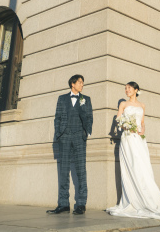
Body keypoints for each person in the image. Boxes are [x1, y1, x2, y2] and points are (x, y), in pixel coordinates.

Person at [107, 82, 160, 226]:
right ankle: (133, 198)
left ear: (136, 90)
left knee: (142, 167)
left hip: (139, 139)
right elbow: (118, 122)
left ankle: (148, 197)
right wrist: (125, 126)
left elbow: (142, 122)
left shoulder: (142, 105)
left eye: (129, 88)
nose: (127, 90)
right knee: (132, 166)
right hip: (127, 139)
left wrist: (142, 129)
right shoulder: (123, 104)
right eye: (125, 88)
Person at [48, 74, 93, 215]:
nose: (82, 85)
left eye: (82, 83)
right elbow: (58, 117)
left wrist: (86, 133)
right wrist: (59, 134)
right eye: (80, 82)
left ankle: (81, 204)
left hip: (79, 137)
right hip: (65, 137)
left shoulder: (85, 99)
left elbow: (89, 117)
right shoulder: (62, 99)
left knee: (81, 170)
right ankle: (63, 204)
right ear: (72, 84)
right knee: (64, 171)